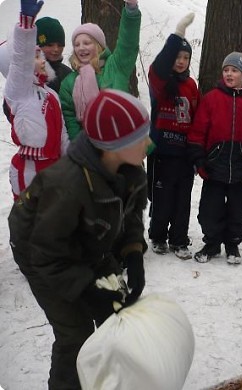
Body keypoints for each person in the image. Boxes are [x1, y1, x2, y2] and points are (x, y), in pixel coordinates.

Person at [8, 89, 150, 390]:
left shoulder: (132, 170)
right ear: (114, 147)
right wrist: (86, 288)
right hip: (40, 252)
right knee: (76, 334)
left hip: (88, 240)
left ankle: (107, 381)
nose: (149, 143)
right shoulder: (67, 185)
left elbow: (131, 214)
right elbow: (47, 254)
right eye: (141, 137)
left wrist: (133, 252)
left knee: (117, 314)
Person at [188, 52, 242, 264]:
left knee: (238, 212)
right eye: (226, 70)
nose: (229, 74)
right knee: (209, 210)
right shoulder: (211, 98)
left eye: (234, 70)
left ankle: (232, 244)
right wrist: (200, 159)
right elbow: (198, 131)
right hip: (214, 167)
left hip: (241, 169)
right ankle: (211, 243)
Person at [2, 0, 69, 201]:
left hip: (55, 166)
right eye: (36, 55)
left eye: (40, 56)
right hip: (29, 169)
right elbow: (21, 58)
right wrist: (27, 23)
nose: (41, 60)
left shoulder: (52, 95)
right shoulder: (20, 90)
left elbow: (62, 135)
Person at [147, 13, 201, 259]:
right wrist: (178, 34)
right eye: (177, 57)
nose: (181, 61)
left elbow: (196, 116)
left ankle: (179, 239)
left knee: (182, 198)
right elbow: (159, 65)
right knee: (162, 196)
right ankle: (158, 236)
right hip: (162, 151)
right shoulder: (159, 80)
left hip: (184, 152)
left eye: (185, 57)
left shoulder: (191, 85)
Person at [59, 0, 141, 140]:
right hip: (91, 151)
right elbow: (70, 120)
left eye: (87, 43)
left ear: (98, 45)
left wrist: (131, 10)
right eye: (77, 44)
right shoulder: (69, 82)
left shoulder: (115, 66)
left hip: (123, 144)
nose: (81, 48)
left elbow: (127, 44)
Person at [35, 16, 71, 93]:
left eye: (60, 45)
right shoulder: (27, 74)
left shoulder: (67, 74)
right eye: (50, 45)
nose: (56, 49)